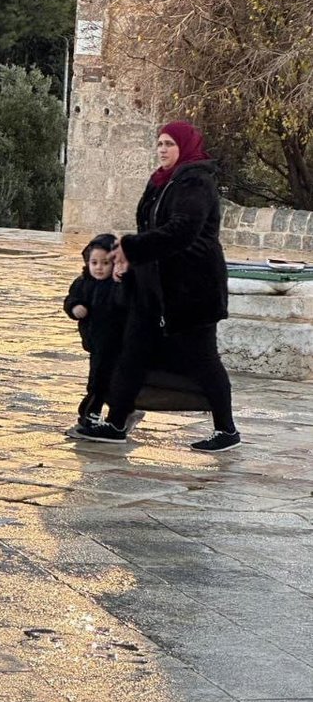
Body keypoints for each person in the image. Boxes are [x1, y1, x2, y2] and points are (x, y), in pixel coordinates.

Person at [74, 121, 240, 453]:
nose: (162, 149)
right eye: (159, 143)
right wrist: (132, 264)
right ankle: (116, 422)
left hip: (191, 290)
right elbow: (152, 230)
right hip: (152, 288)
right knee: (132, 352)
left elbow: (182, 231)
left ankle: (227, 430)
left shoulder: (196, 182)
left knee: (204, 359)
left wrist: (132, 248)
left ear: (185, 147)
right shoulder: (161, 181)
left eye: (169, 144)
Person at [63, 234, 126, 429]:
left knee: (111, 381)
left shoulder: (118, 285)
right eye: (94, 262)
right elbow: (71, 300)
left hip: (117, 342)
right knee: (98, 380)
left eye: (105, 263)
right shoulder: (84, 283)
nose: (99, 267)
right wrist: (75, 308)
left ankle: (106, 414)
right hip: (97, 344)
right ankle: (90, 413)